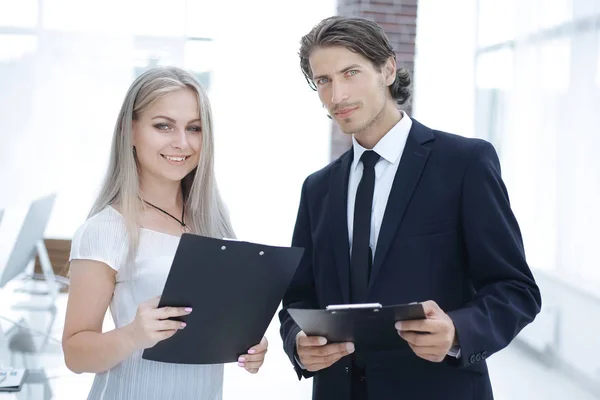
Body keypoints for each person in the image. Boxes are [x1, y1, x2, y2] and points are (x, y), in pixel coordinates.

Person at [279, 16, 541, 400]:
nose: (337, 96)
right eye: (324, 81)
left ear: (387, 69)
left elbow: (516, 289)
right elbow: (298, 300)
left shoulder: (465, 163)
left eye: (350, 73)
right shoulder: (317, 188)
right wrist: (297, 342)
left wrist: (456, 331)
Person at [62, 66, 268, 400]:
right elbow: (74, 354)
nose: (182, 143)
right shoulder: (104, 230)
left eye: (194, 128)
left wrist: (246, 343)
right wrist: (131, 335)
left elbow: (212, 321)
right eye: (163, 126)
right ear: (130, 131)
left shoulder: (213, 220)